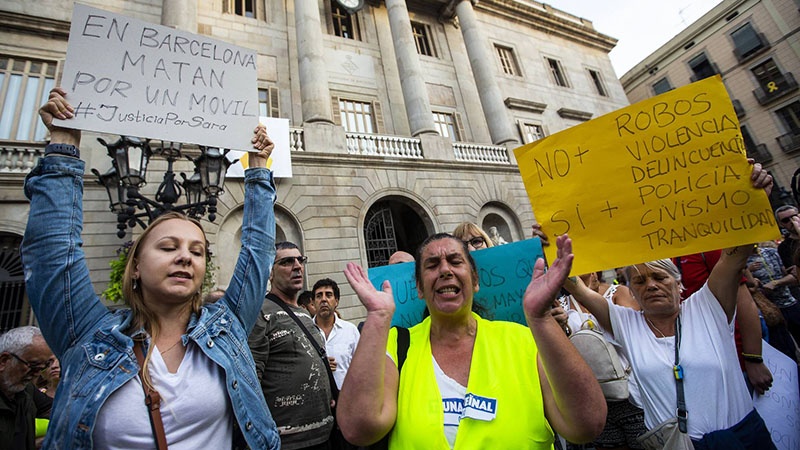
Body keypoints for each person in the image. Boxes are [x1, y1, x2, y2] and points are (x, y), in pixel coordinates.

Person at [21, 88, 280, 449]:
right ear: (136, 267)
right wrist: (63, 145)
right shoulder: (88, 336)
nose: (186, 257)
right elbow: (53, 253)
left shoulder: (228, 328)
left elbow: (257, 251)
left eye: (198, 251)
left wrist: (258, 169)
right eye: (168, 247)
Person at [564, 163, 775, 449]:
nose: (650, 285)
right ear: (632, 292)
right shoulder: (626, 323)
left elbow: (736, 254)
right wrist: (553, 242)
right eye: (639, 282)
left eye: (659, 277)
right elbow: (573, 284)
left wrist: (754, 199)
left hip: (741, 439)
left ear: (680, 284)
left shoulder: (708, 306)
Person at [337, 233, 606, 448]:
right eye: (432, 265)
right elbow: (359, 429)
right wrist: (377, 317)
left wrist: (541, 318)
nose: (444, 270)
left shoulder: (523, 338)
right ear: (419, 288)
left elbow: (586, 425)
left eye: (455, 262)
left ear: (475, 281)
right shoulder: (396, 344)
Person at [248, 242, 334, 450]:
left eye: (300, 260)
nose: (297, 266)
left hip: (325, 434)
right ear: (270, 272)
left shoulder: (305, 314)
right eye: (287, 262)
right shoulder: (259, 313)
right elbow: (251, 378)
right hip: (288, 441)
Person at [0, 327, 53, 450]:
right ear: (4, 361)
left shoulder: (26, 390)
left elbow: (55, 411)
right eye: (33, 366)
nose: (37, 374)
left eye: (43, 367)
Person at [312, 278, 361, 390]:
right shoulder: (305, 331)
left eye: (328, 295)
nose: (323, 299)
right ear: (313, 302)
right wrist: (320, 366)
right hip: (316, 400)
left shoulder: (350, 330)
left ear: (336, 301)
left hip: (346, 399)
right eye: (319, 296)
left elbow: (360, 368)